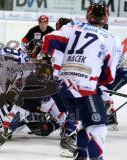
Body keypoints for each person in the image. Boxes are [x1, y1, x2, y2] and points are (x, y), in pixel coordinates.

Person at [40, 1, 122, 160]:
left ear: (88, 15)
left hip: (64, 88)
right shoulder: (111, 38)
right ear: (106, 17)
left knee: (84, 124)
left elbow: (49, 38)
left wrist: (44, 60)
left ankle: (81, 155)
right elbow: (109, 76)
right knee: (98, 127)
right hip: (85, 88)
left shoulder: (71, 27)